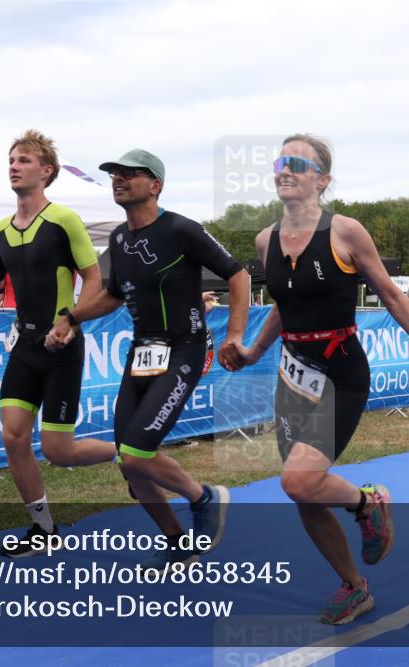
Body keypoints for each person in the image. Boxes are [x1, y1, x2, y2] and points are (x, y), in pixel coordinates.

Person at [228, 134, 409, 624]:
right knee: (303, 492)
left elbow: (394, 296)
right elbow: (283, 306)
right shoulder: (265, 240)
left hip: (341, 372)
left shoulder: (346, 232)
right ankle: (354, 587)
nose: (285, 169)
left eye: (298, 163)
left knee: (297, 478)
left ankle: (368, 504)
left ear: (323, 179)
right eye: (280, 161)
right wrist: (253, 350)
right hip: (293, 377)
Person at [0, 129, 116, 557]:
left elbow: (93, 279)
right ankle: (42, 528)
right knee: (14, 437)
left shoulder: (63, 220)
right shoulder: (0, 232)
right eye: (11, 161)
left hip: (61, 348)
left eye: (24, 161)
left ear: (46, 171)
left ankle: (128, 452)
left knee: (60, 450)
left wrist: (69, 322)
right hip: (24, 348)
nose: (14, 167)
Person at [71, 148, 249, 571]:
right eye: (114, 174)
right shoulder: (118, 237)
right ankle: (178, 541)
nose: (118, 179)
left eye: (129, 174)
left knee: (135, 452)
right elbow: (113, 295)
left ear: (156, 185)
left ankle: (205, 498)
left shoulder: (182, 229)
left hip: (184, 349)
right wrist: (70, 318)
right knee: (129, 466)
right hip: (141, 353)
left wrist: (237, 335)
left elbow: (238, 275)